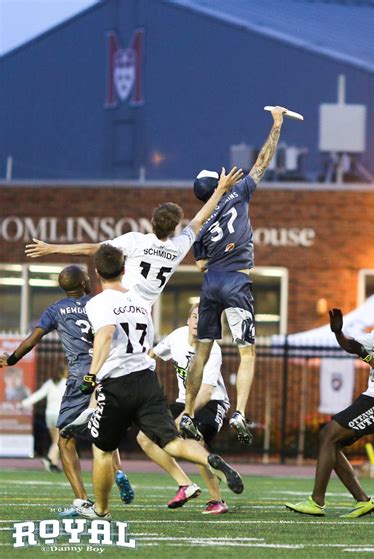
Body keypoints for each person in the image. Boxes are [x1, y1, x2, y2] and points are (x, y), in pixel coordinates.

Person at [77, 244, 243, 520]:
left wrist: (92, 375)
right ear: (124, 270)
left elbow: (105, 334)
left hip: (117, 383)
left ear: (96, 272)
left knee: (103, 450)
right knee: (171, 441)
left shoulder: (97, 303)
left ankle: (101, 510)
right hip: (147, 380)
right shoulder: (140, 304)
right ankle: (208, 460)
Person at [181, 106, 288, 445]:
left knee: (202, 350)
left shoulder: (197, 225)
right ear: (221, 184)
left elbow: (198, 265)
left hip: (210, 282)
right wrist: (277, 124)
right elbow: (262, 162)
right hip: (237, 281)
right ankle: (240, 411)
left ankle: (185, 413)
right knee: (246, 351)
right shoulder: (238, 194)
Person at [0, 265, 134, 516]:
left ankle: (82, 501)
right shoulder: (99, 302)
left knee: (65, 440)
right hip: (110, 372)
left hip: (80, 378)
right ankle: (118, 472)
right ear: (84, 283)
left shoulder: (56, 310)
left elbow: (32, 339)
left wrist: (12, 360)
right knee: (105, 430)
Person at [25, 167, 244, 308]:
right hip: (142, 315)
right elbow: (198, 219)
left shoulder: (136, 241)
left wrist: (51, 248)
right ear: (174, 228)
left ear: (152, 221)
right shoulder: (178, 247)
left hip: (119, 305)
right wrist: (220, 191)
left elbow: (92, 249)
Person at [285, 291, 374, 518]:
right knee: (330, 440)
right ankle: (363, 501)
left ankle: (317, 501)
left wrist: (368, 358)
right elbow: (352, 346)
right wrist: (338, 332)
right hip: (371, 397)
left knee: (328, 434)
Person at [138, 302, 230, 515]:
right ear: (189, 320)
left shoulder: (212, 350)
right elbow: (152, 354)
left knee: (193, 437)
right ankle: (185, 484)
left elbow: (206, 393)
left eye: (205, 318)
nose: (199, 322)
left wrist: (185, 415)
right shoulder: (177, 336)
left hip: (212, 402)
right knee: (144, 438)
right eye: (195, 316)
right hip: (183, 400)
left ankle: (217, 500)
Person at [20, 364, 67, 472]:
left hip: (49, 415)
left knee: (55, 441)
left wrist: (24, 403)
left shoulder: (49, 383)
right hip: (60, 415)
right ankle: (49, 459)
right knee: (59, 441)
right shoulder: (66, 383)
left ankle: (53, 464)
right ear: (64, 372)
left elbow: (38, 395)